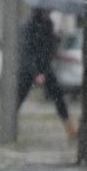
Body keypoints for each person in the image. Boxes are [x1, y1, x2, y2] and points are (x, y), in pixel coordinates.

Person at [16, 7, 77, 140]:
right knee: (18, 97)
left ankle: (70, 129)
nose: (48, 13)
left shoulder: (48, 25)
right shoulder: (30, 26)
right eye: (46, 11)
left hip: (45, 68)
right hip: (29, 69)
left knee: (58, 97)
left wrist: (56, 39)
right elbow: (27, 52)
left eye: (49, 11)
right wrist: (36, 73)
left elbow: (48, 49)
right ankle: (9, 127)